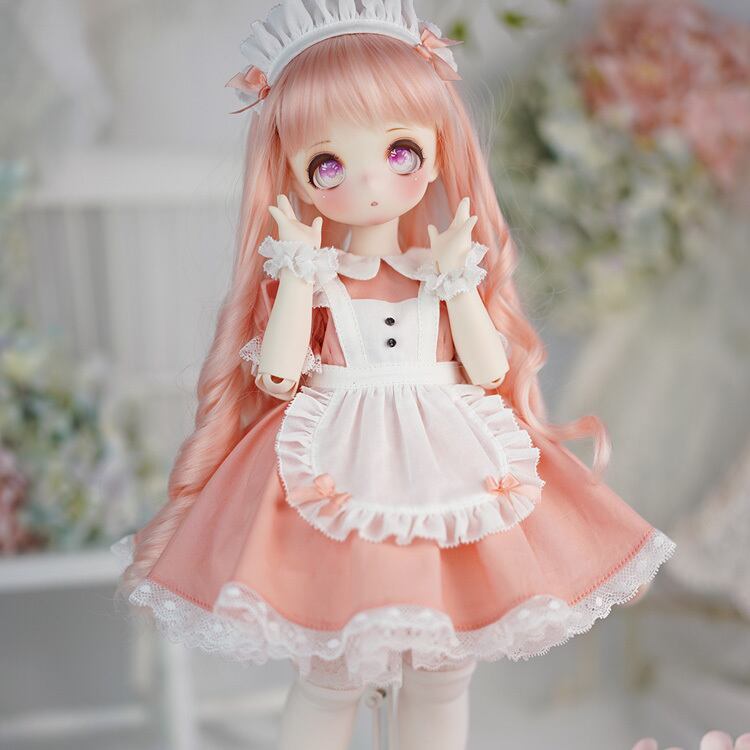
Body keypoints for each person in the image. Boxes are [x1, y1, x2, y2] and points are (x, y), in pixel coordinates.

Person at [110, 2, 676, 748]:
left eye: (400, 152)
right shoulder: (319, 277)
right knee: (333, 669)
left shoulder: (437, 272)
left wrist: (456, 283)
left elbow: (488, 368)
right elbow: (277, 378)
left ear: (437, 153)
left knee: (443, 670)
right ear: (293, 174)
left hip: (446, 460)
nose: (371, 182)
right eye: (329, 165)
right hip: (338, 467)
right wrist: (298, 275)